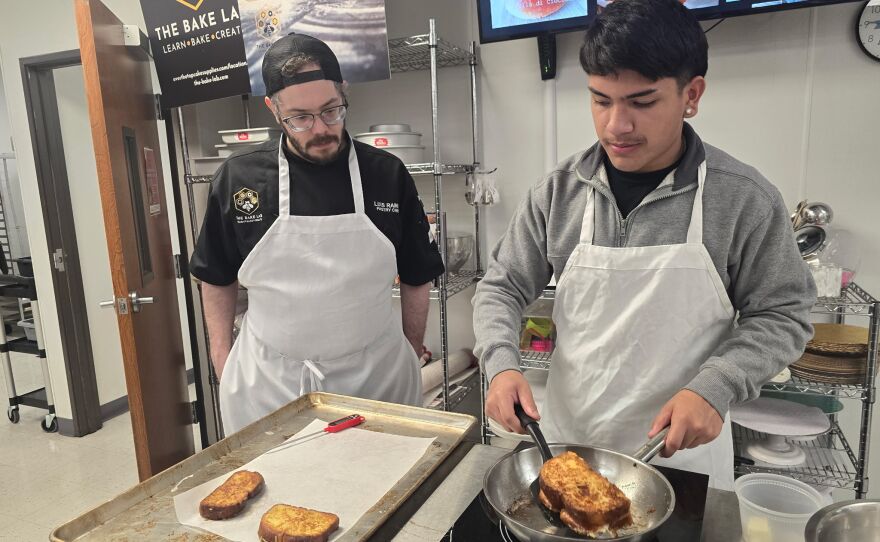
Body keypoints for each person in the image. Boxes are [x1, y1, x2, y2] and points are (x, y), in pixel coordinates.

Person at [473, 0, 816, 490]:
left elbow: (783, 313)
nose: (617, 125)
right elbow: (501, 286)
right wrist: (500, 365)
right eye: (600, 100)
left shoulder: (742, 199)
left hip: (684, 461)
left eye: (642, 102)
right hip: (573, 449)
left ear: (691, 94)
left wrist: (716, 387)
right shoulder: (558, 193)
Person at [191, 33, 444, 434]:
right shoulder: (240, 179)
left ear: (345, 92)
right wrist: (222, 359)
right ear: (273, 110)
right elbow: (216, 276)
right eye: (300, 118)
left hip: (377, 379)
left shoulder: (386, 174)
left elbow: (417, 274)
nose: (320, 129)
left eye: (331, 110)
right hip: (270, 384)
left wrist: (411, 349)